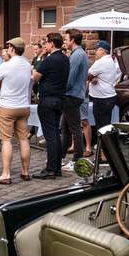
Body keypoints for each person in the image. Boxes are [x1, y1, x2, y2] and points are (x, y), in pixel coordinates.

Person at [0, 37, 33, 184]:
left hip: (7, 106)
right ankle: (25, 172)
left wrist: (2, 88)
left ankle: (6, 174)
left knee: (6, 141)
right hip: (23, 106)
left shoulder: (6, 65)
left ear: (12, 49)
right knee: (23, 139)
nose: (8, 49)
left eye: (9, 47)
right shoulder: (28, 65)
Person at [32, 32, 70, 179]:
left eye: (46, 43)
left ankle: (51, 169)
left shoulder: (49, 59)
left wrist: (33, 70)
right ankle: (56, 168)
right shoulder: (65, 59)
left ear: (52, 44)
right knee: (55, 133)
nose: (45, 45)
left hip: (48, 100)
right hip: (59, 99)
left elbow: (35, 78)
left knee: (50, 136)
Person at [62, 29, 89, 171]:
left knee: (74, 129)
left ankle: (77, 160)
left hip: (72, 95)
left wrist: (61, 90)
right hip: (74, 95)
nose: (65, 41)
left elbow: (70, 79)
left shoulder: (77, 55)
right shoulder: (79, 54)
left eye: (66, 39)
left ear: (72, 40)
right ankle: (60, 157)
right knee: (65, 128)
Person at [87, 40, 121, 131]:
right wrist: (94, 77)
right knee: (106, 124)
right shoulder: (109, 60)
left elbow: (87, 75)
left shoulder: (101, 62)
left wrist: (92, 77)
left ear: (103, 51)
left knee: (101, 126)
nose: (95, 52)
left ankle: (102, 144)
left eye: (97, 49)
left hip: (102, 98)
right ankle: (105, 143)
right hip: (109, 97)